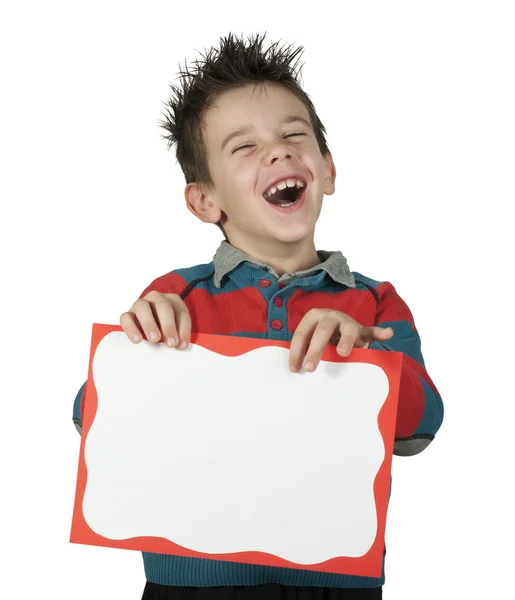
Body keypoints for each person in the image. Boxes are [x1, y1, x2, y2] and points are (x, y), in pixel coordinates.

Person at [72, 32, 444, 599]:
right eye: (243, 148)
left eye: (295, 136)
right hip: (192, 584)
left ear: (327, 170)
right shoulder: (176, 295)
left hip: (337, 584)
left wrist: (369, 362)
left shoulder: (377, 303)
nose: (278, 152)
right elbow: (87, 418)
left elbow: (422, 427)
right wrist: (142, 350)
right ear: (205, 201)